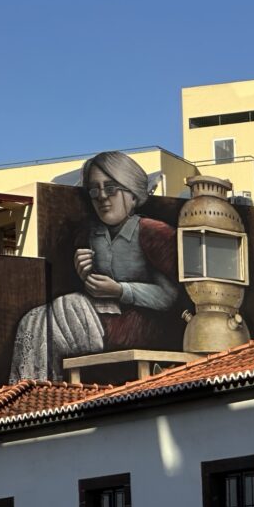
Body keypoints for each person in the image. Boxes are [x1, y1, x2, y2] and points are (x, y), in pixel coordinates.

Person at [10, 151, 179, 380]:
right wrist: (85, 274)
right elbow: (95, 288)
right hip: (99, 314)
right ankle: (36, 391)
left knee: (64, 311)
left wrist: (120, 290)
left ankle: (41, 389)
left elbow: (169, 297)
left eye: (110, 188)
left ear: (132, 194)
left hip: (138, 325)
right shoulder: (92, 234)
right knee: (33, 319)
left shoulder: (152, 232)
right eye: (94, 190)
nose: (101, 197)